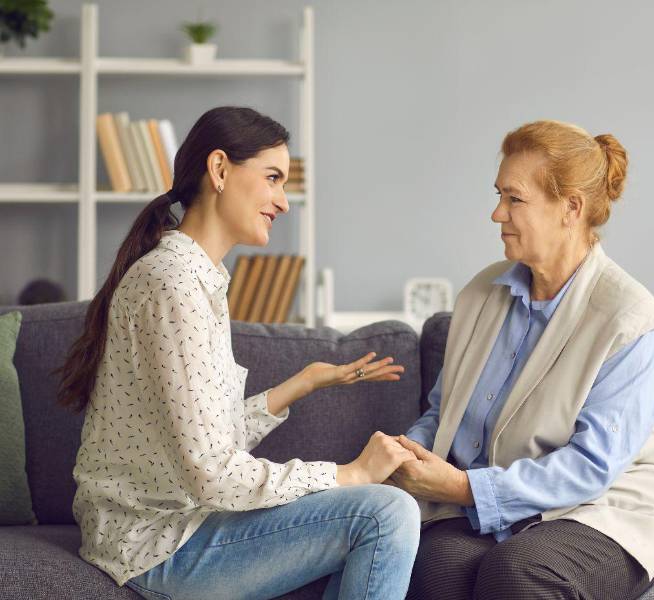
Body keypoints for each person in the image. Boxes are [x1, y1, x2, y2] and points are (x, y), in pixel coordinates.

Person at [53, 106, 420, 600]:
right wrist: (347, 475)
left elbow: (202, 443)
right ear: (220, 169)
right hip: (157, 546)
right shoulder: (175, 286)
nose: (283, 202)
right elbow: (210, 474)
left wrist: (303, 383)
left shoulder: (193, 278)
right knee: (385, 513)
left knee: (372, 512)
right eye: (272, 178)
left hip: (169, 528)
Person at [389, 120, 654, 600]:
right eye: (499, 195)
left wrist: (465, 489)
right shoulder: (480, 294)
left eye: (514, 199)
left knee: (519, 572)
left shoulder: (630, 319)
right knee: (436, 563)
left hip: (602, 510)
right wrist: (407, 453)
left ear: (570, 208)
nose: (497, 213)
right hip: (489, 506)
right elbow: (443, 412)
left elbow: (590, 467)